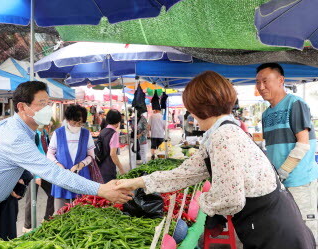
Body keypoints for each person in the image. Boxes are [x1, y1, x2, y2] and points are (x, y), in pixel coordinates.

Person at [116, 71, 315, 249]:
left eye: (190, 106)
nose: (190, 114)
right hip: (271, 222)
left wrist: (203, 202)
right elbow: (183, 174)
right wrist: (133, 183)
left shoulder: (224, 136)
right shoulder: (222, 131)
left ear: (198, 106)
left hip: (274, 232)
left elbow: (231, 199)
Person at [0, 81, 132, 249]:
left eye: (48, 103)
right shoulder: (14, 135)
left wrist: (16, 178)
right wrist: (100, 190)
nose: (48, 108)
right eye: (42, 103)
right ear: (22, 107)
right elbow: (53, 173)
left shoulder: (25, 131)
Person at [256, 63, 318, 242]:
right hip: (280, 184)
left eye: (266, 81)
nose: (261, 87)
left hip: (300, 181)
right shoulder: (266, 114)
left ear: (281, 80)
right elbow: (272, 149)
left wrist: (281, 173)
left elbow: (303, 145)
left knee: (306, 230)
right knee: (287, 230)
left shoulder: (295, 103)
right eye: (258, 82)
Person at [47, 104, 96, 212]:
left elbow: (92, 156)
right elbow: (49, 154)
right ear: (68, 119)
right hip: (61, 177)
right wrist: (58, 165)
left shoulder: (86, 134)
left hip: (81, 177)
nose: (77, 125)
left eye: (80, 122)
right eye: (75, 122)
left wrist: (81, 164)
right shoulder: (58, 133)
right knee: (61, 212)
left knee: (82, 212)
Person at [23, 125, 54, 233]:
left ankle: (47, 219)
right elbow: (32, 156)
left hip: (45, 170)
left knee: (52, 193)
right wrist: (36, 176)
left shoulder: (44, 133)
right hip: (34, 171)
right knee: (31, 199)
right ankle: (27, 226)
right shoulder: (34, 134)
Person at [97, 109, 126, 183]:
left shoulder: (103, 131)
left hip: (100, 166)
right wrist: (121, 169)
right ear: (118, 121)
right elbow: (113, 154)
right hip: (109, 168)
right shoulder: (114, 134)